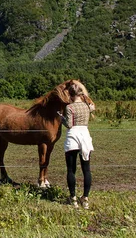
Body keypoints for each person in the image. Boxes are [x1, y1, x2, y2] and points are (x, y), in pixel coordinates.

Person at [58, 81, 95, 209]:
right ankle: (85, 198)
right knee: (86, 169)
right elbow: (92, 108)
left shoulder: (69, 107)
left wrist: (61, 118)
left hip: (73, 136)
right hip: (85, 135)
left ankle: (73, 198)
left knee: (71, 169)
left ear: (71, 95)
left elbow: (69, 124)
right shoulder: (87, 106)